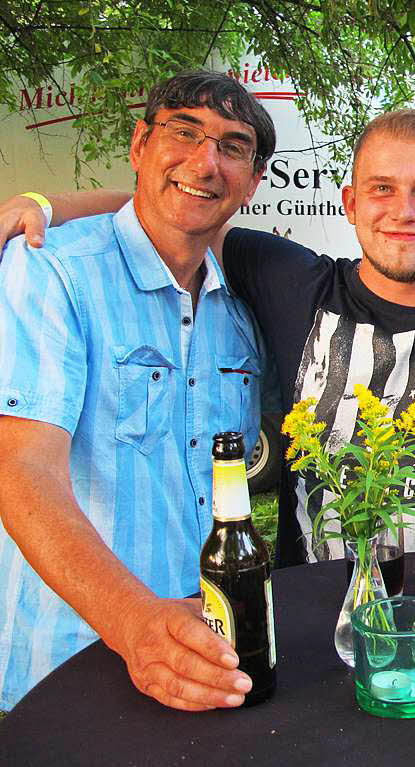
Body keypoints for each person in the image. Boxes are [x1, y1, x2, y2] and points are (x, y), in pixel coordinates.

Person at [2, 109, 415, 567]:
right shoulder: (292, 280)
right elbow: (168, 212)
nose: (403, 211)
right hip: (313, 618)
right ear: (350, 204)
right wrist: (44, 205)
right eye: (381, 188)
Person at [0, 71, 276, 711]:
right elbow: (21, 470)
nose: (205, 162)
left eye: (232, 147)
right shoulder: (51, 270)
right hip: (65, 670)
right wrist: (132, 622)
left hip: (202, 659)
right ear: (139, 146)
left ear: (253, 180)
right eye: (184, 132)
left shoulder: (241, 307)